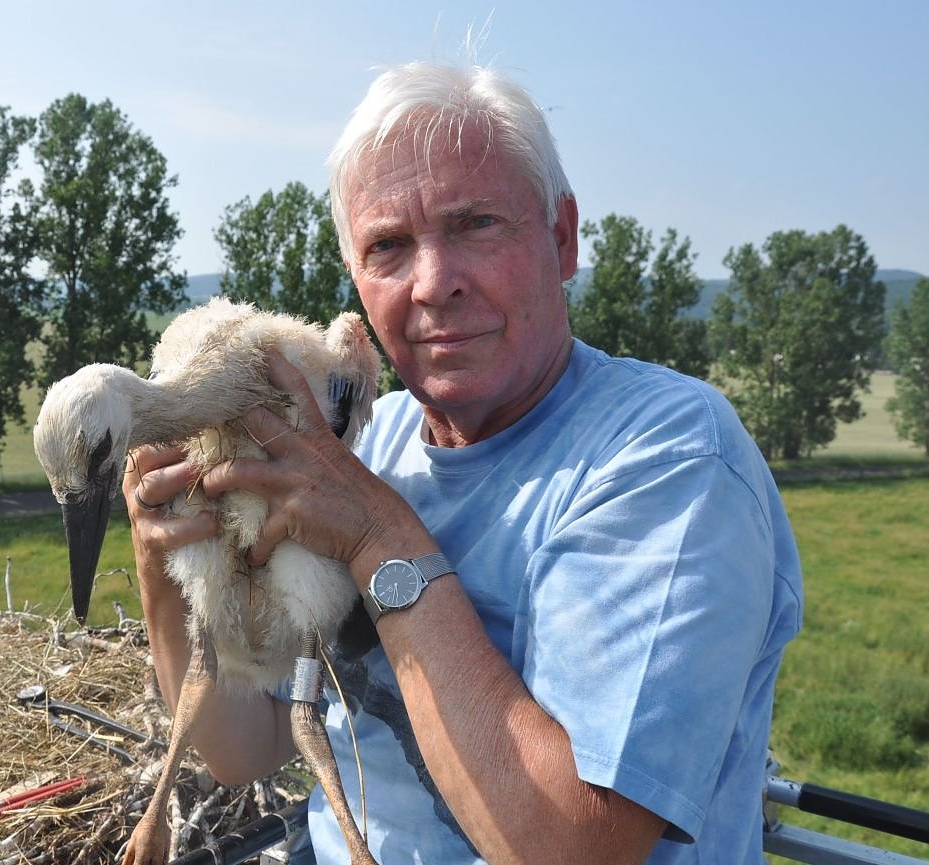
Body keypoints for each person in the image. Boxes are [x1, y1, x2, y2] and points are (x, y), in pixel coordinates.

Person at [122, 59, 803, 865]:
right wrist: (163, 562)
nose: (433, 283)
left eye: (476, 224)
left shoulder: (668, 456)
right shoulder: (361, 440)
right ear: (356, 278)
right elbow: (247, 746)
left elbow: (574, 849)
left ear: (561, 238)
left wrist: (379, 540)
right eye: (388, 246)